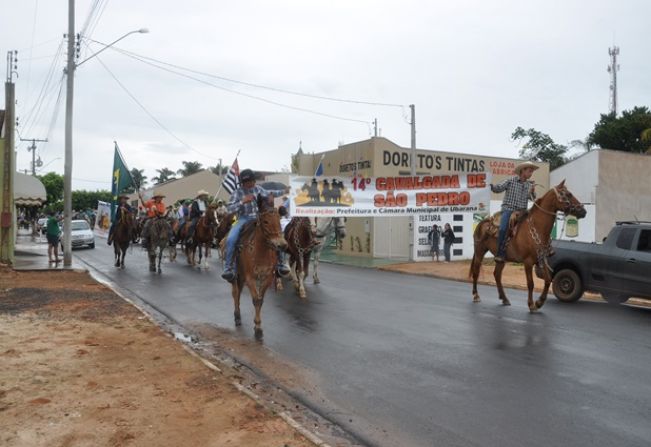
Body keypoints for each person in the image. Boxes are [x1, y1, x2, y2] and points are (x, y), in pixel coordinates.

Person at [221, 169, 290, 282]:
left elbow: (271, 193)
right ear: (242, 183)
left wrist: (285, 191)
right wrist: (242, 201)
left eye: (251, 181)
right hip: (243, 218)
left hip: (259, 217)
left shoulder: (258, 189)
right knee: (231, 238)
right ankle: (228, 268)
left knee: (277, 234)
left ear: (254, 180)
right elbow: (229, 209)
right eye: (247, 182)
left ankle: (281, 264)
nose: (250, 184)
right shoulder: (237, 192)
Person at [490, 161, 538, 262]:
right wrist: (491, 186)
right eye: (529, 171)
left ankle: (539, 250)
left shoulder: (529, 185)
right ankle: (500, 252)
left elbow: (532, 198)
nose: (531, 174)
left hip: (522, 212)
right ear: (523, 171)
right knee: (503, 229)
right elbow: (498, 189)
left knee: (536, 224)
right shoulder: (510, 181)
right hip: (508, 210)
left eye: (532, 172)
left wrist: (533, 191)